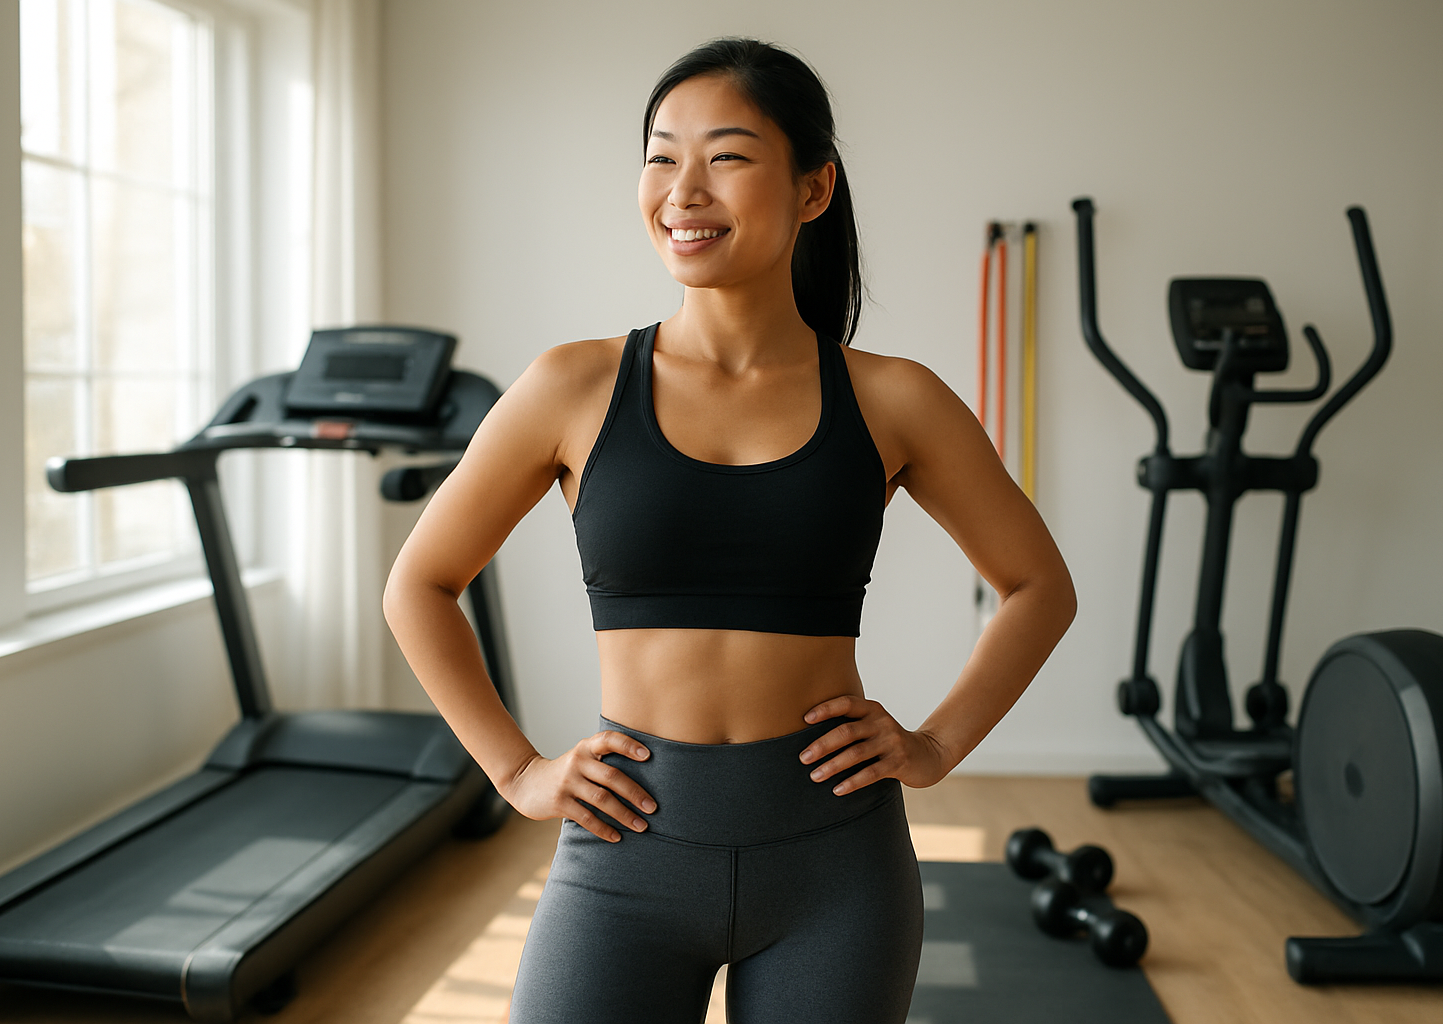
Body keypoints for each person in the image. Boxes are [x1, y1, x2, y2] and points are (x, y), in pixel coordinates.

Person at [383, 36, 1076, 1024]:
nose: (684, 189)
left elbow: (1037, 585)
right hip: (626, 856)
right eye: (662, 157)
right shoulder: (571, 387)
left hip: (836, 864)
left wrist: (933, 745)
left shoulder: (895, 399)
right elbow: (419, 583)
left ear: (812, 188)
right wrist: (515, 770)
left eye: (728, 156)